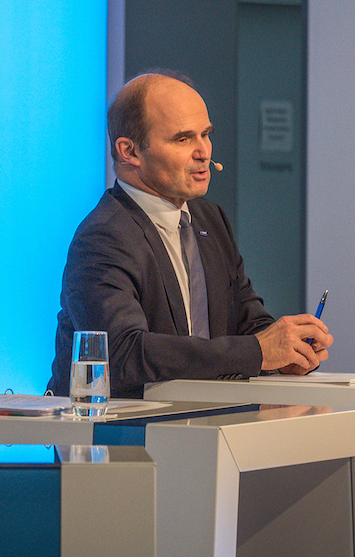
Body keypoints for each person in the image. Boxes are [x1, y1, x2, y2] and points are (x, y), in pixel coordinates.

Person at [46, 72, 333, 399]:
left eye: (206, 134)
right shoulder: (104, 236)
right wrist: (257, 352)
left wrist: (289, 353)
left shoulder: (210, 218)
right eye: (183, 139)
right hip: (123, 437)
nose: (204, 152)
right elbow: (122, 354)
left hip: (205, 429)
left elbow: (247, 325)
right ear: (129, 151)